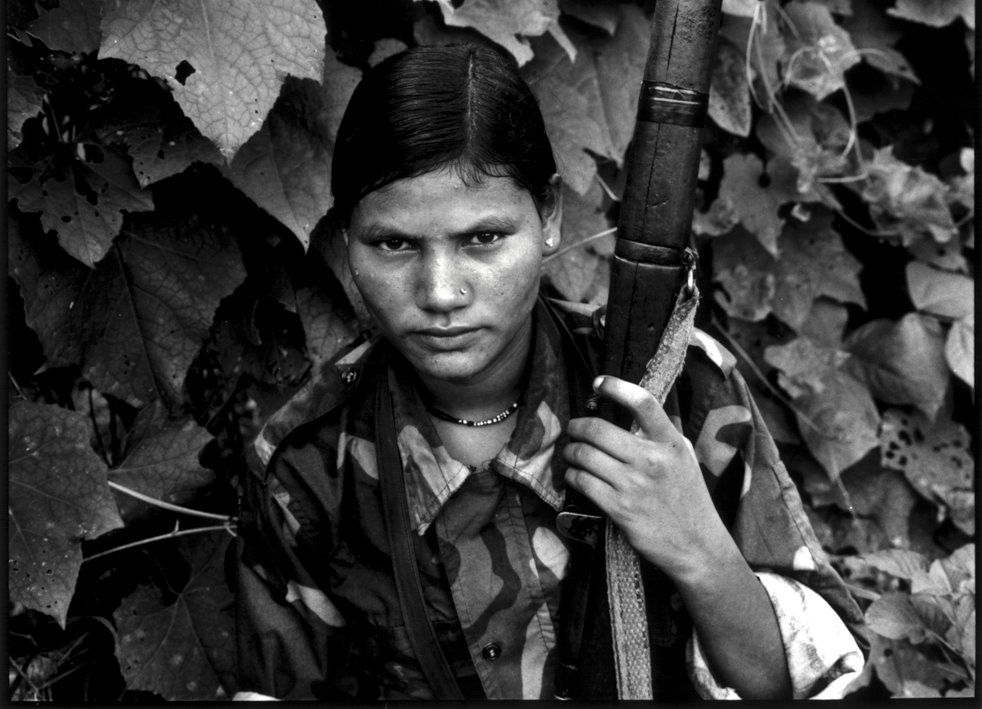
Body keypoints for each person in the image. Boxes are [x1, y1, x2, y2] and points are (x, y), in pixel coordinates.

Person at [232, 42, 866, 701]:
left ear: (550, 216)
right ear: (345, 241)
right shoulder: (307, 465)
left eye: (483, 239)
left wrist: (699, 550)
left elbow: (812, 685)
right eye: (394, 244)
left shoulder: (674, 394)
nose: (441, 292)